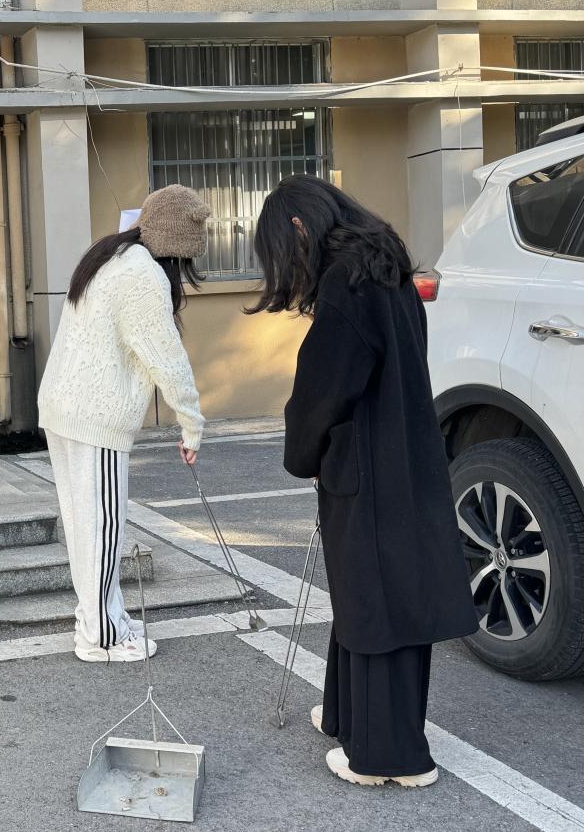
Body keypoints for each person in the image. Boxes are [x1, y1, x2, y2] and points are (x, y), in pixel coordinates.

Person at [248, 174, 477, 787]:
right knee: (374, 593)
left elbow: (322, 390)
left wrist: (302, 453)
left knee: (376, 600)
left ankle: (389, 758)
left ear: (299, 227)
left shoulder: (345, 285)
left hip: (366, 466)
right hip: (405, 454)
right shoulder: (385, 269)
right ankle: (349, 716)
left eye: (282, 250)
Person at [38, 185, 210, 663]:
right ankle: (103, 637)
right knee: (103, 528)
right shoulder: (143, 274)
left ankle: (99, 618)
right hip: (95, 418)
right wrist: (191, 424)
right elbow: (166, 358)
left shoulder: (109, 257)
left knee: (85, 527)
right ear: (177, 248)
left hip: (65, 409)